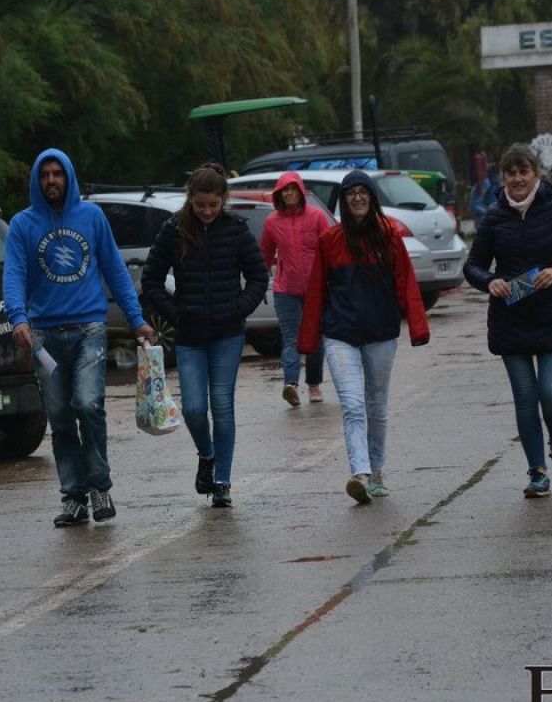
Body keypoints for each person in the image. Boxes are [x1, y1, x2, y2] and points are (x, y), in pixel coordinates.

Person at [4, 149, 154, 528]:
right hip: (43, 336)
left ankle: (100, 487)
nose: (51, 180)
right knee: (59, 416)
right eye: (45, 175)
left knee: (88, 404)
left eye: (58, 173)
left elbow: (115, 269)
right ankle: (73, 497)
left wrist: (136, 319)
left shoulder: (91, 217)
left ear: (68, 177)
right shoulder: (22, 225)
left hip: (89, 327)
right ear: (37, 181)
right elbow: (14, 274)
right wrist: (17, 317)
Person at [463, 144, 552, 498]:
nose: (517, 178)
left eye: (524, 171)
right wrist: (489, 280)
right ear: (502, 177)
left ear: (537, 174)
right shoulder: (493, 216)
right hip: (511, 319)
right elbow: (472, 266)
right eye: (510, 172)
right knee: (525, 397)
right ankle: (537, 472)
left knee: (551, 394)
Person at [297, 171, 429, 504]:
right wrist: (308, 341)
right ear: (343, 200)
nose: (357, 197)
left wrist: (417, 326)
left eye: (363, 192)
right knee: (353, 405)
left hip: (382, 334)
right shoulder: (330, 240)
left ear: (372, 197)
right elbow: (315, 293)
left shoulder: (390, 236)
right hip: (340, 334)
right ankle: (360, 473)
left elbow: (407, 283)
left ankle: (378, 471)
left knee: (377, 407)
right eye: (351, 193)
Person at [142, 163, 268, 507]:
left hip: (227, 334)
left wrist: (238, 308)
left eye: (213, 205)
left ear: (223, 199)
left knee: (222, 407)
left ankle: (223, 482)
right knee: (195, 409)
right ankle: (207, 454)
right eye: (201, 205)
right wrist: (176, 315)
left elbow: (259, 277)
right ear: (190, 200)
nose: (207, 211)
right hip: (190, 336)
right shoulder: (174, 230)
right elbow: (151, 281)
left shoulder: (236, 230)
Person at [258, 171, 330, 407]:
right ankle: (291, 384)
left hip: (315, 288)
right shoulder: (272, 222)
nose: (288, 194)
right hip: (285, 288)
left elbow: (329, 250)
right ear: (279, 194)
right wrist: (258, 283)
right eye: (284, 190)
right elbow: (265, 254)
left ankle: (314, 383)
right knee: (291, 339)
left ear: (301, 191)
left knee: (315, 339)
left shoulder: (317, 217)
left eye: (292, 189)